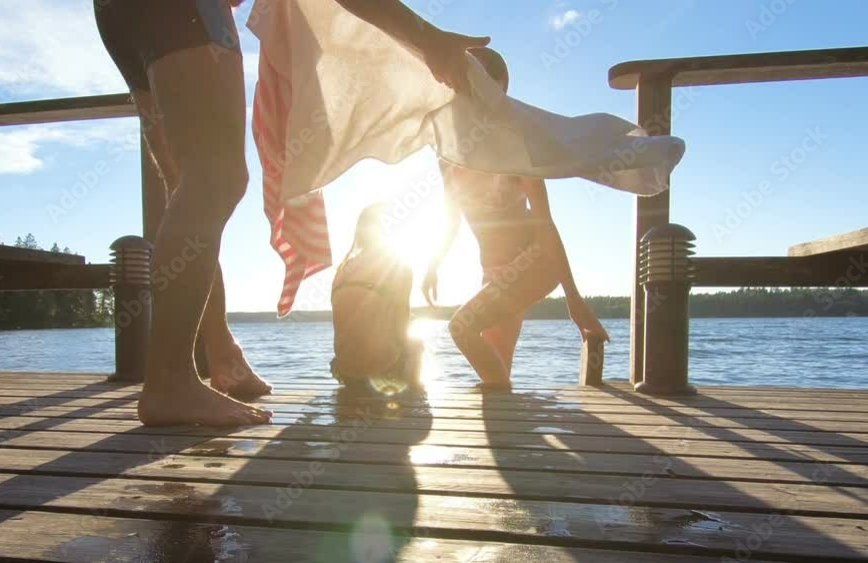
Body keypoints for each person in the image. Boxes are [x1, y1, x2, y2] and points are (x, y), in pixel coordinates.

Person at [93, 0, 490, 426]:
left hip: (118, 15)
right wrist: (428, 40)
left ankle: (219, 352)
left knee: (186, 186)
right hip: (183, 12)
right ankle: (170, 382)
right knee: (214, 179)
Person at [423, 47, 610, 389]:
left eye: (491, 91)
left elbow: (545, 225)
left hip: (533, 264)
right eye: (469, 88)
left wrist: (574, 299)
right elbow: (450, 217)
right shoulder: (449, 151)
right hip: (493, 273)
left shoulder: (518, 147)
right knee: (497, 371)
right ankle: (507, 427)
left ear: (502, 88)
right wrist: (432, 264)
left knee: (461, 328)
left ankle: (506, 410)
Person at [331, 203, 424, 387]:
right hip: (383, 369)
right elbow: (401, 323)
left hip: (345, 370)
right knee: (417, 343)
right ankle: (414, 400)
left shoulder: (342, 269)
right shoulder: (398, 265)